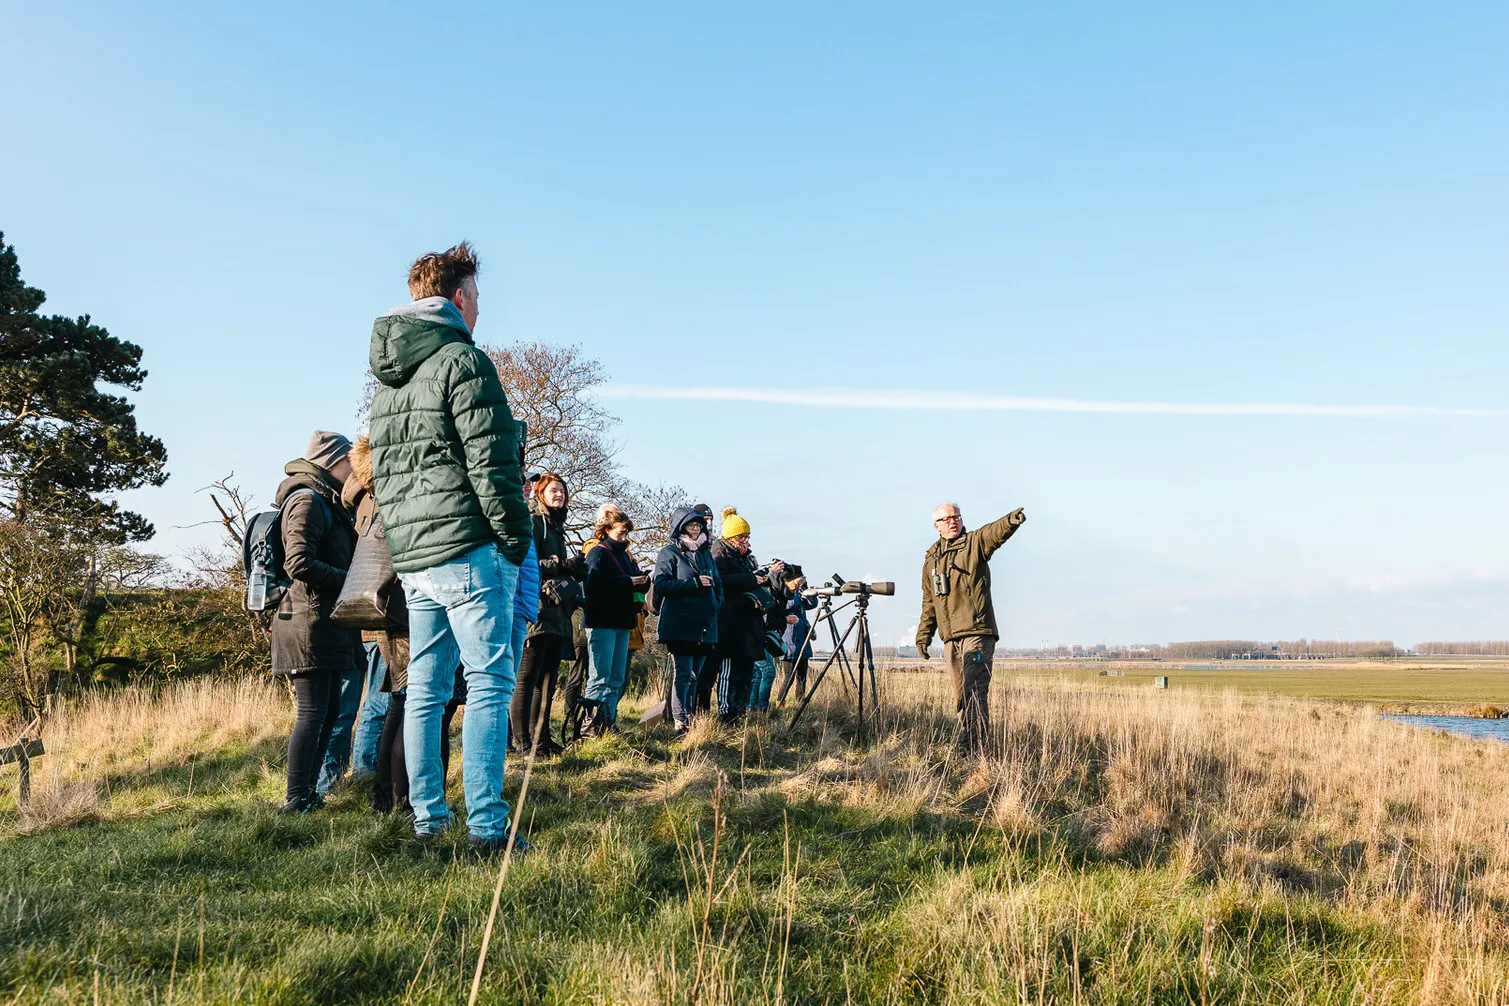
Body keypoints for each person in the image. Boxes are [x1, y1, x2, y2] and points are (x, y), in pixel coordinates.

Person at [367, 242, 534, 854]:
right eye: (479, 296)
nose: (481, 308)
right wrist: (515, 540)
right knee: (490, 682)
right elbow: (493, 465)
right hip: (467, 547)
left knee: (426, 688)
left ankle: (428, 820)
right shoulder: (464, 361)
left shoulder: (389, 381)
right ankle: (488, 827)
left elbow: (385, 477)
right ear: (459, 297)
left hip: (415, 558)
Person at [271, 430, 361, 814]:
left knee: (325, 713)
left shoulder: (327, 501)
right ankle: (296, 798)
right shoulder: (306, 500)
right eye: (349, 463)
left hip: (325, 623)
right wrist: (351, 580)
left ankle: (309, 793)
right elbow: (298, 563)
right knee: (310, 714)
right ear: (332, 462)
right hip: (306, 623)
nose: (354, 471)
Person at [916, 501, 1027, 753]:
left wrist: (1010, 520)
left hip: (977, 632)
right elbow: (929, 601)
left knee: (974, 690)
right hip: (950, 638)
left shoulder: (974, 543)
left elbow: (993, 533)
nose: (953, 521)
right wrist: (923, 636)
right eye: (946, 519)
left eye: (956, 516)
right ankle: (969, 742)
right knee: (961, 695)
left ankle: (973, 749)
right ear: (936, 526)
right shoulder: (931, 559)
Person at [510, 472, 576, 756]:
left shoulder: (558, 527)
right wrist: (560, 564)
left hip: (556, 612)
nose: (559, 494)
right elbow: (527, 561)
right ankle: (521, 742)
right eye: (553, 490)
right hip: (536, 609)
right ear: (540, 493)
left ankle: (541, 739)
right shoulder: (534, 522)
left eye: (562, 490)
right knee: (526, 678)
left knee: (547, 680)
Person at [653, 506, 724, 732]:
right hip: (679, 623)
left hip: (704, 624)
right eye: (691, 526)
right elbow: (662, 584)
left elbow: (718, 582)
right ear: (681, 528)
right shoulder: (668, 553)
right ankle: (679, 719)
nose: (695, 530)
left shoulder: (705, 553)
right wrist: (693, 584)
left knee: (696, 675)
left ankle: (690, 716)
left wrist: (716, 601)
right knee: (683, 673)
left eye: (698, 526)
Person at [579, 505, 648, 733]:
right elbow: (593, 587)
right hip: (601, 623)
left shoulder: (625, 556)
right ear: (606, 529)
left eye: (626, 533)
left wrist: (641, 582)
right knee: (599, 677)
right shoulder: (598, 552)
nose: (624, 537)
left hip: (622, 622)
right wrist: (628, 582)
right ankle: (590, 727)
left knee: (616, 678)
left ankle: (607, 724)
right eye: (621, 532)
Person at [709, 507, 782, 725]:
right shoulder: (719, 553)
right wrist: (751, 579)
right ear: (732, 537)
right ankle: (726, 713)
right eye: (743, 537)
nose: (746, 542)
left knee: (745, 672)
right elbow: (719, 580)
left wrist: (766, 578)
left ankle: (739, 712)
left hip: (747, 623)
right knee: (729, 671)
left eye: (747, 537)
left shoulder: (745, 557)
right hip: (729, 622)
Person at [776, 566, 818, 705]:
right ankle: (780, 701)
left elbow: (811, 605)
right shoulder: (785, 594)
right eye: (797, 582)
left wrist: (808, 592)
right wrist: (797, 593)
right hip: (789, 639)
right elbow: (788, 605)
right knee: (789, 676)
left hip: (802, 638)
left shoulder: (799, 594)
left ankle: (800, 701)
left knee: (802, 675)